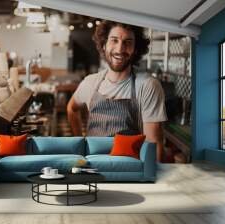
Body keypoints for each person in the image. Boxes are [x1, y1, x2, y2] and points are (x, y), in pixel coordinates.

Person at [67, 21, 167, 162]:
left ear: (136, 49)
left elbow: (154, 145)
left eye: (127, 42)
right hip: (92, 168)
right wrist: (79, 143)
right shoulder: (91, 82)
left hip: (129, 171)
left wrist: (151, 180)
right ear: (104, 45)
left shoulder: (147, 85)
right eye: (114, 40)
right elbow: (72, 109)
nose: (120, 49)